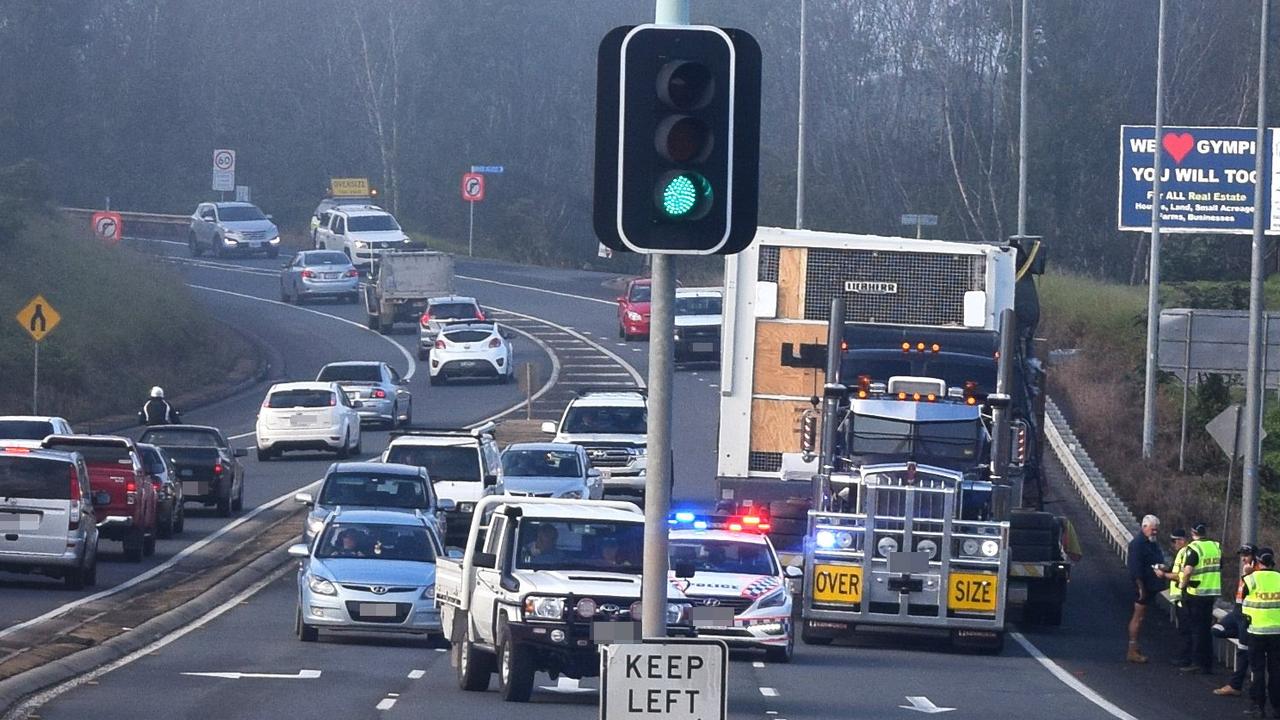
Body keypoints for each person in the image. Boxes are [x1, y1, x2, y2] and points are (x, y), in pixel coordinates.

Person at [1212, 544, 1257, 697]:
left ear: (1254, 556)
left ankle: (1235, 685)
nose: (1243, 558)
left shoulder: (1256, 572)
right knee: (1216, 630)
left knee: (1243, 652)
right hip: (1236, 611)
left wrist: (1249, 575)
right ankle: (1245, 637)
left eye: (1246, 555)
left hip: (1247, 614)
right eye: (1242, 555)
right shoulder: (1246, 569)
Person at [1178, 522, 1223, 675]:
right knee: (1205, 629)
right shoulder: (1215, 547)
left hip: (1196, 593)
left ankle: (1197, 662)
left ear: (1193, 533)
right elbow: (1219, 567)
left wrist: (1182, 586)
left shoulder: (1194, 548)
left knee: (1196, 630)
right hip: (1211, 594)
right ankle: (1207, 663)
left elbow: (1188, 571)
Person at [1242, 548, 1280, 718]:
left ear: (1256, 562)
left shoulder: (1250, 580)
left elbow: (1243, 604)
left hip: (1256, 633)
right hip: (1277, 633)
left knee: (1257, 671)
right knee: (1276, 671)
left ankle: (1258, 706)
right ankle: (1277, 707)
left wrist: (1246, 573)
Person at [1126, 514, 1165, 663]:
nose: (1155, 532)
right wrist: (1140, 588)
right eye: (1152, 530)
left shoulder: (1151, 543)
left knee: (1141, 618)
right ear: (1144, 527)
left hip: (1151, 585)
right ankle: (1132, 649)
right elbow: (1135, 569)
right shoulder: (1138, 544)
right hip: (1143, 587)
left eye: (1156, 530)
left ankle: (1135, 648)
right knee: (1138, 617)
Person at [1155, 529, 1192, 668]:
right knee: (1184, 628)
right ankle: (1185, 657)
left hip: (1183, 597)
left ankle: (1185, 658)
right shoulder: (1182, 553)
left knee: (1185, 629)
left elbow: (1179, 575)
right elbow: (1175, 570)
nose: (1172, 544)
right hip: (1179, 597)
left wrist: (1163, 575)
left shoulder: (1186, 552)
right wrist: (1165, 568)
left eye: (1174, 541)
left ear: (1181, 540)